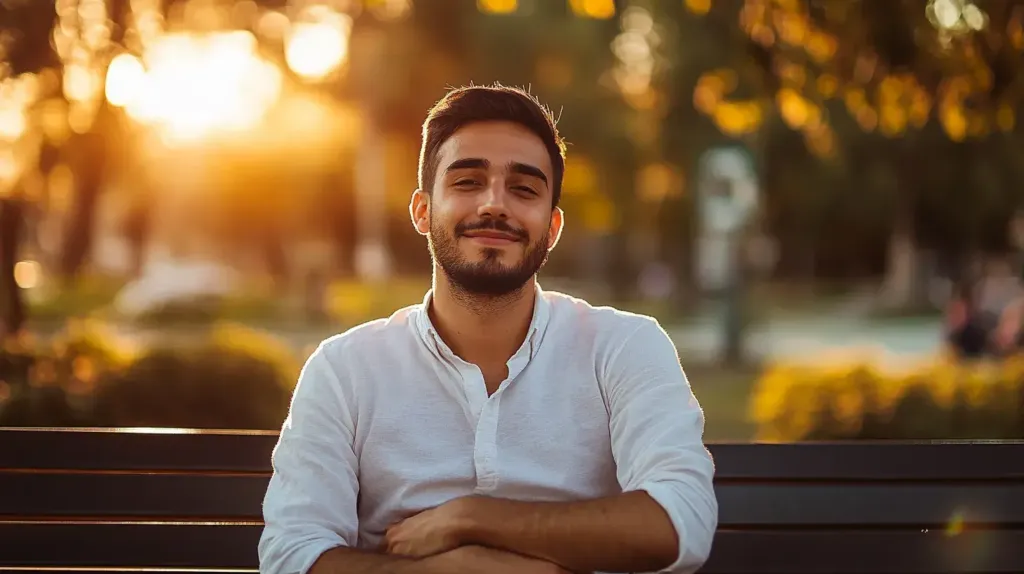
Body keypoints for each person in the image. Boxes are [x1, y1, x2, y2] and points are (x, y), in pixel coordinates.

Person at [258, 84, 718, 574]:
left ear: (553, 226)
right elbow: (291, 554)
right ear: (422, 210)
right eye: (467, 182)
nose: (495, 204)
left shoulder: (624, 346)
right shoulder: (343, 369)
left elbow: (679, 522)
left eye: (524, 189)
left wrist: (474, 518)